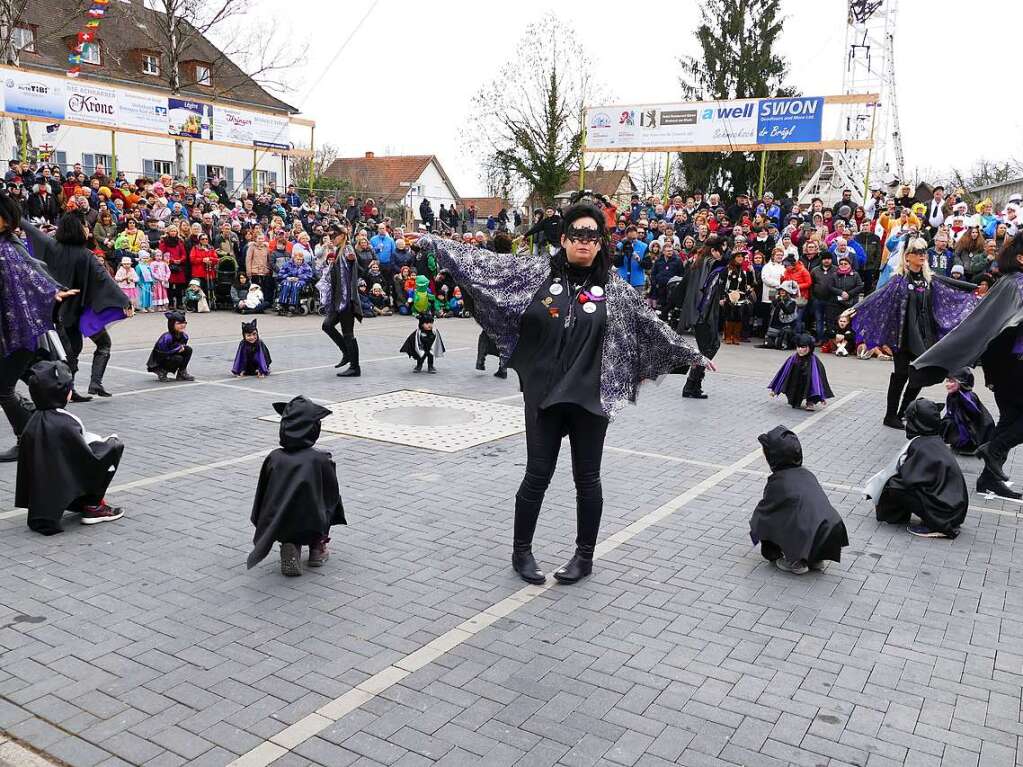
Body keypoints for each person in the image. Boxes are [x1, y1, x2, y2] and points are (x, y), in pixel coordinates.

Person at [414, 199, 713, 585]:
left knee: (588, 480)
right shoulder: (534, 273)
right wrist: (435, 243)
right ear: (564, 239)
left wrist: (691, 354)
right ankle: (522, 552)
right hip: (544, 398)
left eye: (593, 236)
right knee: (536, 475)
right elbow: (484, 265)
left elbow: (651, 327)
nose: (584, 243)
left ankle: (583, 557)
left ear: (601, 242)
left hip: (590, 400)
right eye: (577, 235)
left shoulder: (616, 290)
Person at [911, 233, 1023, 500]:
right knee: (1010, 424)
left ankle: (989, 478)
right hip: (1015, 367)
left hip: (1006, 368)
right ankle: (993, 451)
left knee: (1010, 420)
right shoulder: (1017, 284)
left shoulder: (1009, 282)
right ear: (1021, 258)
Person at [845, 238, 979, 430]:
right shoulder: (898, 280)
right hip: (902, 335)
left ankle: (904, 412)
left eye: (924, 251)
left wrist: (974, 289)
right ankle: (890, 415)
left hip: (924, 335)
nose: (922, 255)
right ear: (907, 257)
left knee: (919, 375)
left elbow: (952, 285)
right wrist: (855, 309)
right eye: (917, 252)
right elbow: (877, 296)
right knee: (900, 374)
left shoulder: (929, 279)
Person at [0, 193, 79, 462]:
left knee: (4, 389)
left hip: (19, 329)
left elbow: (32, 269)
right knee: (12, 386)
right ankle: (38, 425)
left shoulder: (10, 247)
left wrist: (53, 290)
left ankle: (31, 438)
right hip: (9, 329)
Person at [21, 214, 132, 403]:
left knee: (67, 352)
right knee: (72, 352)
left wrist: (12, 213)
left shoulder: (50, 246)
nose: (87, 229)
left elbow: (30, 230)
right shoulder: (85, 255)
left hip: (52, 309)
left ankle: (69, 389)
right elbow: (104, 279)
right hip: (73, 311)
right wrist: (124, 301)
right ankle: (69, 388)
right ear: (79, 230)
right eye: (84, 226)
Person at [16, 360, 124, 534]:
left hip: (45, 485)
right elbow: (85, 457)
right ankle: (93, 506)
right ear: (61, 393)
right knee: (113, 447)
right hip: (63, 478)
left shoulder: (32, 421)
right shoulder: (66, 421)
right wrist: (108, 442)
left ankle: (77, 502)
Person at [248, 396, 346, 576]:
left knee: (287, 509)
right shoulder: (321, 459)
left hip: (281, 519)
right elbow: (332, 497)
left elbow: (262, 496)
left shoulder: (274, 458)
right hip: (313, 519)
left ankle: (291, 543)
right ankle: (317, 547)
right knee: (328, 501)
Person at [750, 426, 848, 574]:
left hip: (808, 530)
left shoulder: (779, 481)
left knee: (764, 517)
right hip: (830, 529)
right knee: (797, 515)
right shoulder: (807, 474)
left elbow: (766, 513)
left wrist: (760, 536)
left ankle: (795, 561)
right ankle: (815, 558)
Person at [864, 399, 968, 539]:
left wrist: (882, 494)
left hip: (945, 514)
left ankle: (934, 524)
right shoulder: (933, 441)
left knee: (893, 486)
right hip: (953, 509)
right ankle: (924, 518)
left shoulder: (921, 446)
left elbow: (906, 480)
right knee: (897, 483)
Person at [674, 236, 726, 399]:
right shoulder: (708, 263)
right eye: (720, 251)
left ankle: (694, 384)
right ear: (714, 251)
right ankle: (691, 385)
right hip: (702, 314)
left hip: (698, 313)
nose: (721, 255)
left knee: (710, 347)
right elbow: (707, 292)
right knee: (709, 348)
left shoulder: (697, 263)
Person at [321, 234, 363, 377]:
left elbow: (352, 257)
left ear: (343, 236)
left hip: (347, 300)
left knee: (348, 333)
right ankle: (346, 352)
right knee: (327, 325)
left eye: (336, 235)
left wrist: (351, 255)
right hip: (337, 299)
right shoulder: (338, 250)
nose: (333, 237)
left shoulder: (346, 249)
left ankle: (355, 367)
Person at [767, 334, 834, 411]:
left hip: (808, 381)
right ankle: (796, 400)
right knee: (794, 397)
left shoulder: (814, 361)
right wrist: (776, 389)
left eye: (803, 347)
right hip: (796, 380)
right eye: (798, 347)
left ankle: (810, 402)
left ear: (810, 348)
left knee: (811, 385)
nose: (800, 350)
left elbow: (818, 380)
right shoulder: (793, 358)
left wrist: (822, 396)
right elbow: (783, 373)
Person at [941, 368, 994, 455]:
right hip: (964, 424)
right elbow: (951, 413)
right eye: (947, 381)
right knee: (948, 422)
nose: (948, 384)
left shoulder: (969, 397)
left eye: (952, 382)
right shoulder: (952, 395)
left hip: (976, 429)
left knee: (956, 424)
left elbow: (974, 420)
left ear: (962, 383)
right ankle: (960, 442)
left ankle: (968, 445)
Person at [146, 311, 195, 382]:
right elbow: (161, 354)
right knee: (178, 358)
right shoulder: (166, 337)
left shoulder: (184, 336)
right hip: (159, 361)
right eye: (179, 323)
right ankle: (162, 372)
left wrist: (179, 349)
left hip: (172, 355)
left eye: (184, 323)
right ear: (172, 324)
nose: (182, 325)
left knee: (188, 350)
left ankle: (182, 372)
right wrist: (177, 350)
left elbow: (183, 349)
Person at [276, 251, 313, 316]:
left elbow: (309, 276)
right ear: (294, 258)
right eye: (298, 259)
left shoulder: (306, 266)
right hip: (288, 279)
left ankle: (292, 305)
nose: (299, 261)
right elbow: (280, 274)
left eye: (301, 260)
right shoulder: (287, 264)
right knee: (286, 284)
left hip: (300, 281)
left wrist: (298, 278)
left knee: (296, 284)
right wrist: (287, 277)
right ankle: (282, 304)